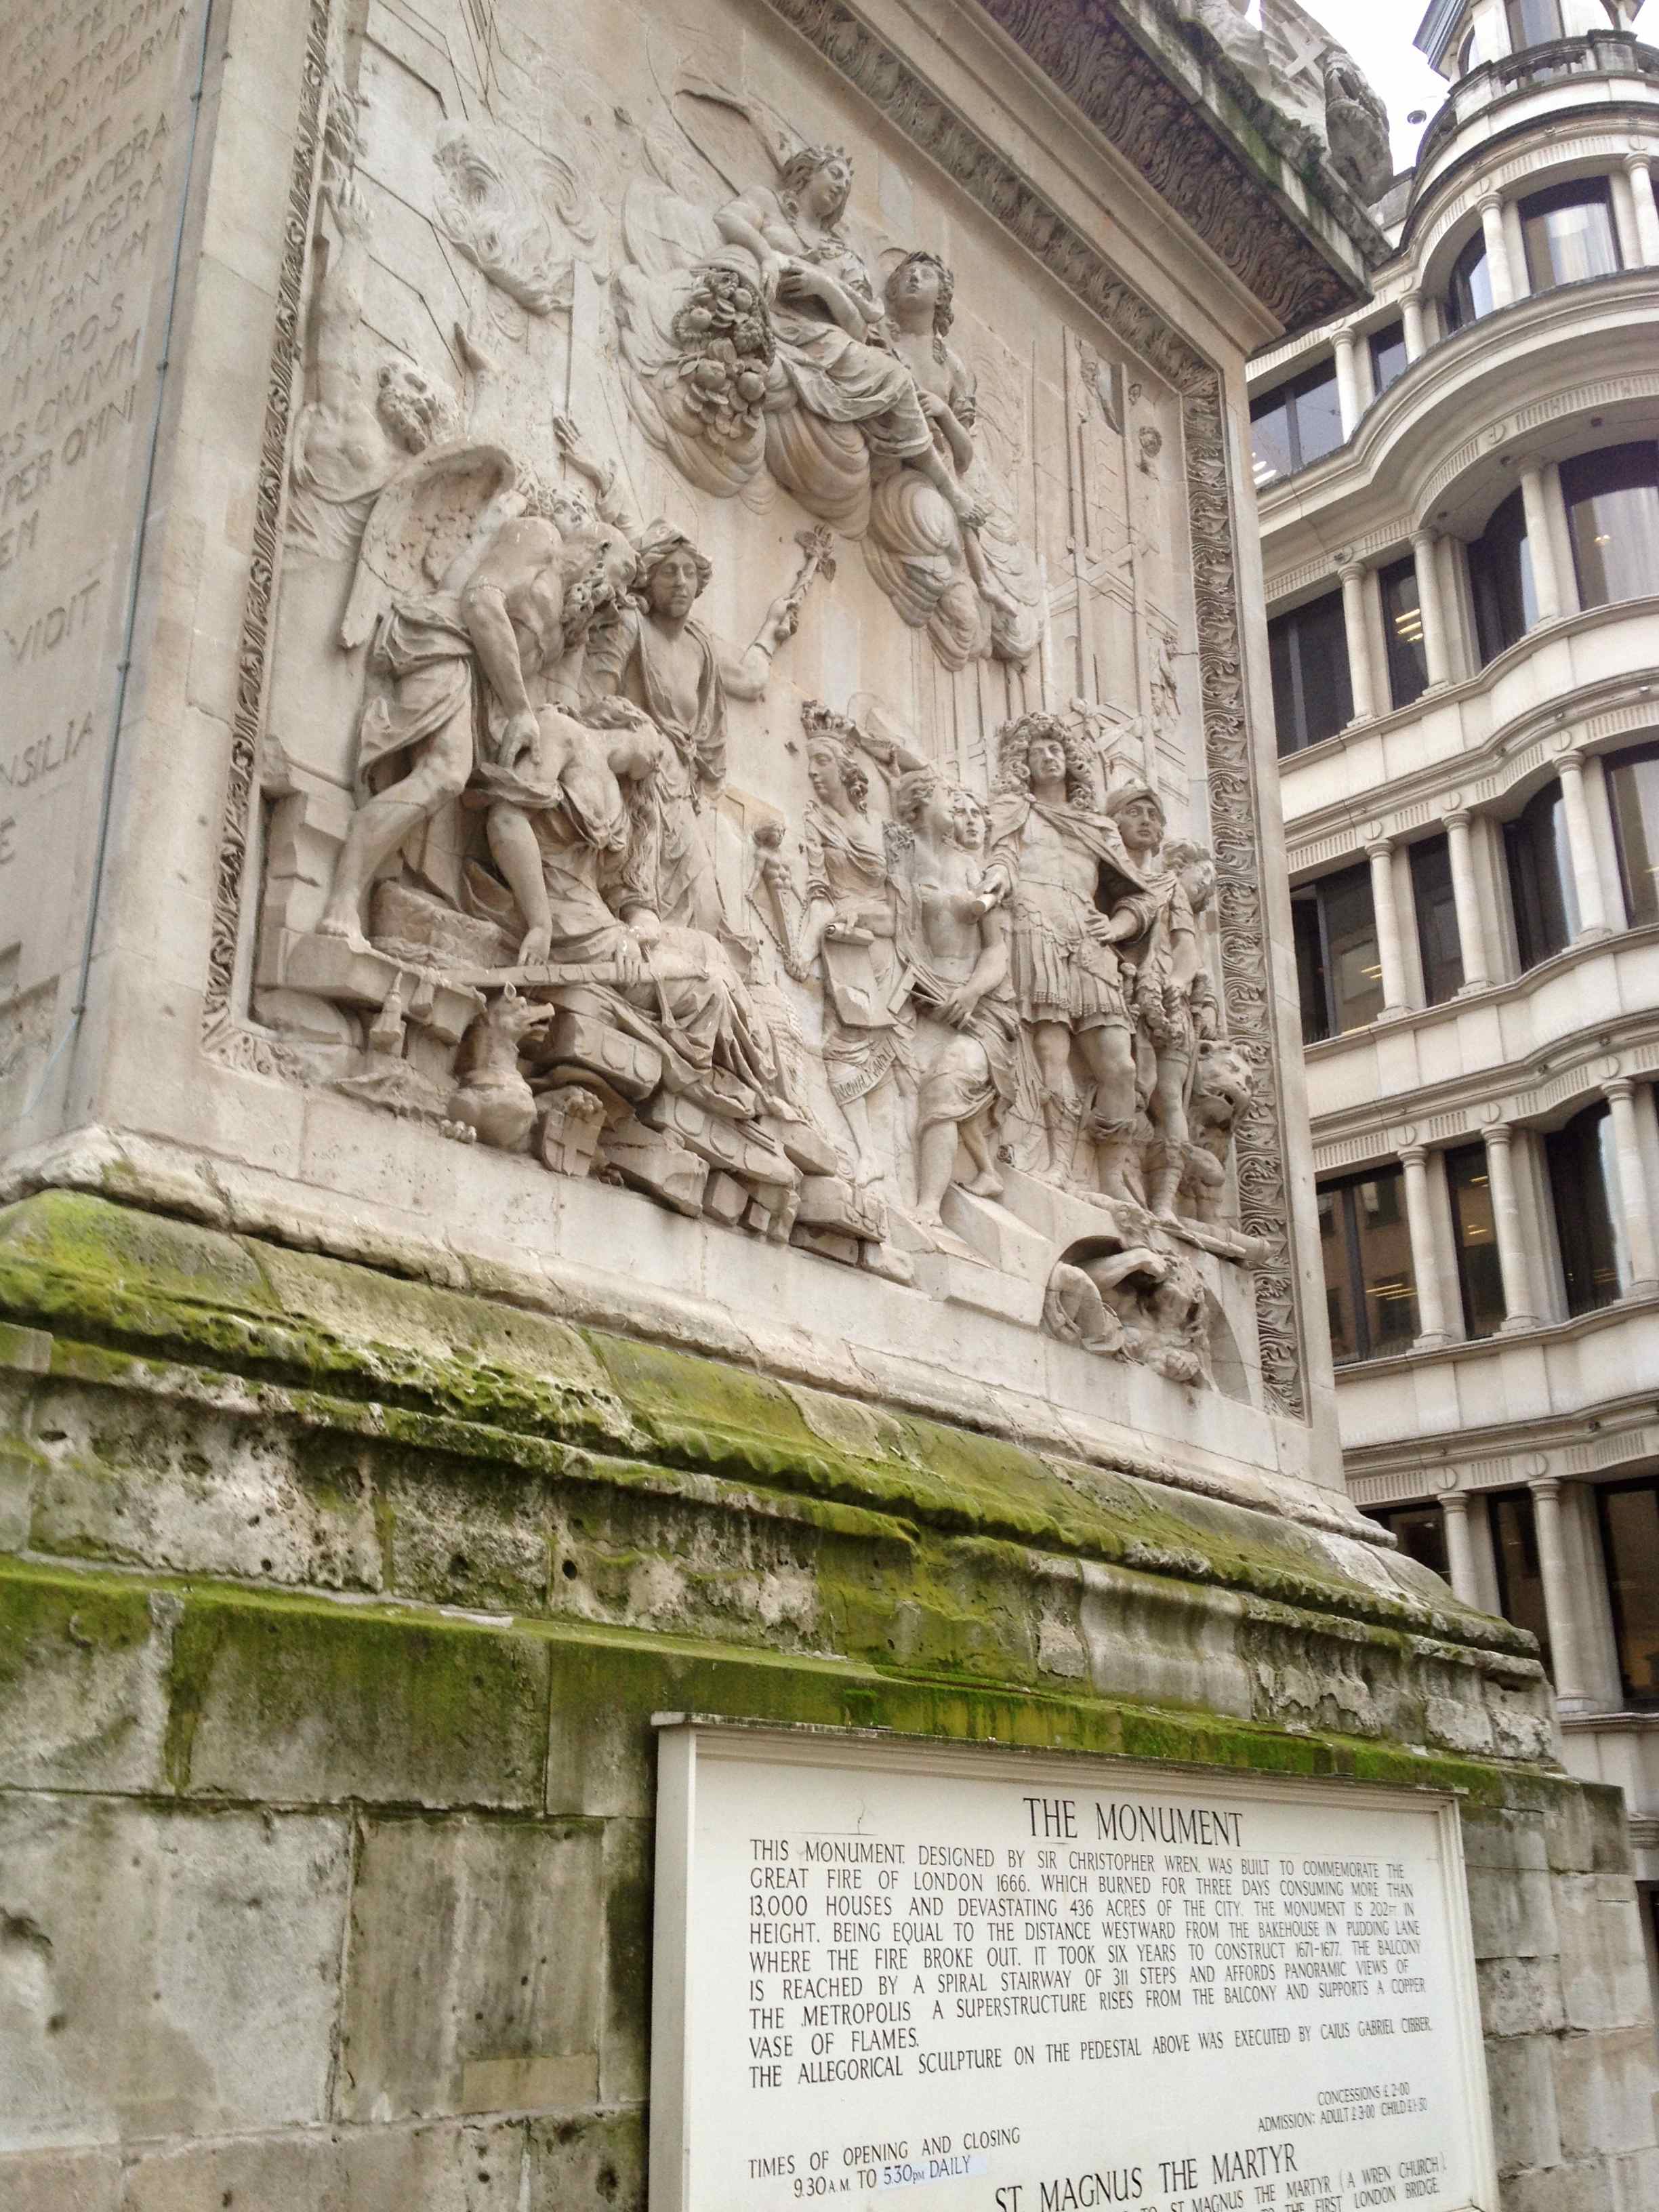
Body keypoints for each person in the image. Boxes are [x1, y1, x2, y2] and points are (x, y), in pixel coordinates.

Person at [316, 485, 636, 941]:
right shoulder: (539, 538)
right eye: (623, 575)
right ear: (600, 549)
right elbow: (480, 601)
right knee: (446, 772)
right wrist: (520, 710)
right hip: (447, 643)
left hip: (487, 692)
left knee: (485, 792)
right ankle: (344, 893)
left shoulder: (569, 622)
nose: (619, 595)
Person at [712, 147, 985, 534]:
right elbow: (727, 218)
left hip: (818, 335)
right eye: (836, 174)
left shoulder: (841, 255)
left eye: (847, 184)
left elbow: (860, 327)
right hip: (763, 309)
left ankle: (948, 489)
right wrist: (766, 256)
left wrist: (824, 286)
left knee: (894, 376)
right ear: (808, 172)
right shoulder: (767, 202)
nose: (842, 186)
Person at [984, 714, 1155, 1197]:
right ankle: (1058, 1164)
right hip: (1035, 924)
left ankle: (1112, 1173)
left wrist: (1116, 927)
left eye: (1055, 750)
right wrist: (996, 879)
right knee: (1050, 1057)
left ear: (1071, 761)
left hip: (1088, 937)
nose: (1048, 757)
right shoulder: (1016, 811)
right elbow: (1003, 857)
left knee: (1121, 1067)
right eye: (1037, 751)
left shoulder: (1097, 827)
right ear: (1023, 763)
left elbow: (1140, 898)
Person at [890, 769, 1017, 1225]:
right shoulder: (903, 856)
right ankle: (976, 1175)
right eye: (951, 799)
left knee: (945, 1085)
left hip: (981, 1008)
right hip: (925, 996)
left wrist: (969, 994)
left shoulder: (973, 869)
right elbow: (896, 928)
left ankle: (929, 1206)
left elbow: (997, 951)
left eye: (967, 807)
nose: (961, 811)